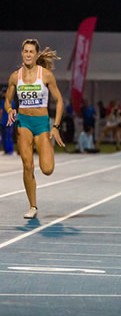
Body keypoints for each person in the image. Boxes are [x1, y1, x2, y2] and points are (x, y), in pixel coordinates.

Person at [3, 39, 65, 218]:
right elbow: (7, 100)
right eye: (25, 51)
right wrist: (10, 110)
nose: (28, 54)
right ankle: (33, 206)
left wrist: (56, 127)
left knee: (47, 169)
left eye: (31, 51)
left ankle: (47, 153)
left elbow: (59, 100)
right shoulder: (15, 76)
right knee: (27, 165)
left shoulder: (45, 75)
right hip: (24, 123)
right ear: (22, 53)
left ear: (36, 55)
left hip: (41, 124)